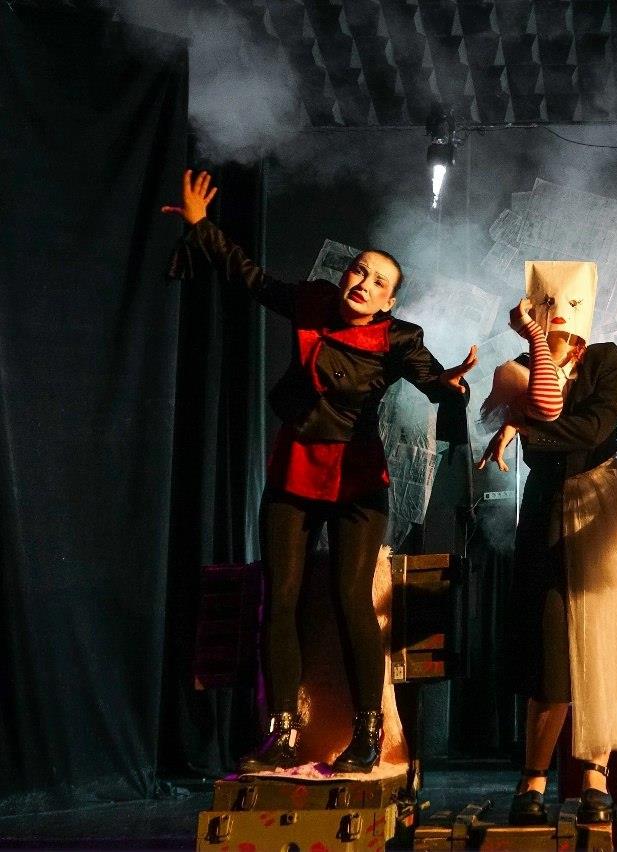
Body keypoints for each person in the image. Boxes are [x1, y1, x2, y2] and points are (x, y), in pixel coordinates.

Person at [163, 170, 477, 774]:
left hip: (357, 479)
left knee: (350, 598)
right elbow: (251, 278)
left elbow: (435, 382)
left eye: (378, 281)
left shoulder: (398, 337)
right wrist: (202, 228)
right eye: (358, 271)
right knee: (280, 599)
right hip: (296, 469)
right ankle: (282, 730)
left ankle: (368, 732)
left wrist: (452, 385)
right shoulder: (311, 302)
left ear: (388, 301)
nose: (363, 282)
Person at [478, 261, 617, 826]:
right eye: (547, 306)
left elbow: (594, 427)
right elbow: (548, 408)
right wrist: (526, 398)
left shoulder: (606, 359)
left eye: (568, 306)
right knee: (550, 649)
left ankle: (597, 773)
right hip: (547, 510)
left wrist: (522, 427)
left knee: (605, 639)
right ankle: (534, 777)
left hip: (603, 505)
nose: (558, 316)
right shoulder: (516, 369)